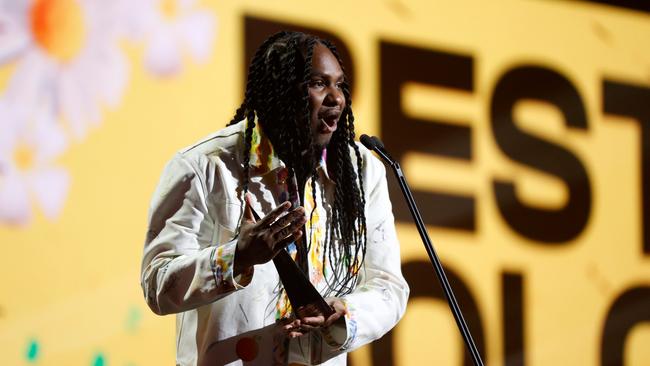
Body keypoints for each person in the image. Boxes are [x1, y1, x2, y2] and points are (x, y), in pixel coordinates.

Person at [141, 31, 409, 366]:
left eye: (340, 85)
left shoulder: (361, 171)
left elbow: (388, 287)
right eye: (317, 83)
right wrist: (235, 257)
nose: (336, 98)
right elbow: (156, 283)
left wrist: (345, 314)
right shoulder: (204, 166)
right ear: (279, 94)